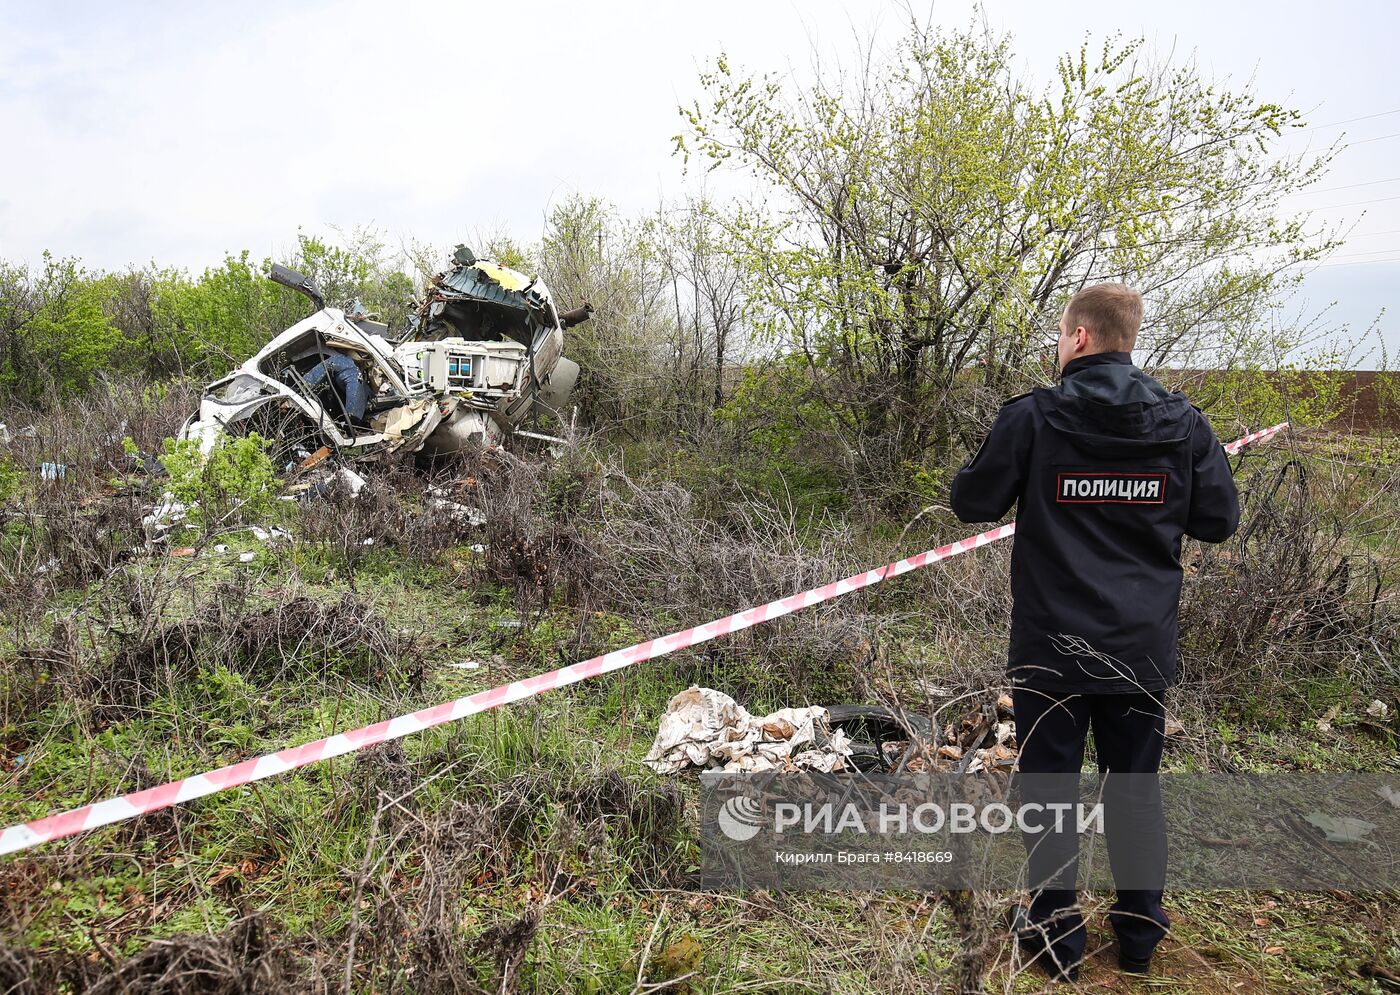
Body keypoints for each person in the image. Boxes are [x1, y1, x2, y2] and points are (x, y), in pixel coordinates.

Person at [949, 283, 1240, 981]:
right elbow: (1219, 519)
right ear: (1128, 338)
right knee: (1135, 786)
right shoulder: (1183, 422)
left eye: (1059, 332)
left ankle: (1055, 939)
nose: (1058, 342)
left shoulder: (1035, 416)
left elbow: (972, 499)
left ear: (1078, 337)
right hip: (1138, 645)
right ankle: (1139, 932)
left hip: (1053, 646)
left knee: (1049, 786)